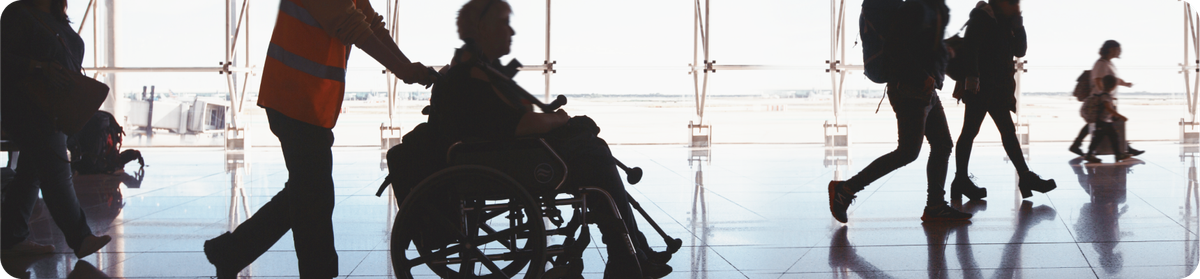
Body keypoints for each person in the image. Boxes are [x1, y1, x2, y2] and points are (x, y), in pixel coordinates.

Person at [429, 1, 672, 277]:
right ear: (481, 29)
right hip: (501, 163)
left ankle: (632, 251)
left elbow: (504, 123)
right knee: (595, 157)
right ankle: (627, 255)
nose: (511, 31)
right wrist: (560, 119)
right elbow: (519, 124)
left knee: (593, 149)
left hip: (492, 156)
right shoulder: (474, 72)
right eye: (503, 23)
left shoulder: (467, 67)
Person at [201, 0, 435, 278]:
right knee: (315, 196)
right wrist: (403, 69)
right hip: (293, 96)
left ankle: (230, 252)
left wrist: (406, 66)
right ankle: (315, 272)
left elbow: (369, 22)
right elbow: (353, 26)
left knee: (305, 192)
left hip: (306, 100)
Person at [829, 0, 972, 223]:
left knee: (942, 144)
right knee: (908, 151)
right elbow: (897, 48)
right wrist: (922, 75)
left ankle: (935, 205)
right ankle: (846, 189)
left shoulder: (913, 7)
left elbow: (917, 46)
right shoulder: (908, 8)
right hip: (910, 87)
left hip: (923, 87)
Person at [0, 0, 112, 260]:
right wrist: (39, 68)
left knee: (32, 171)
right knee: (56, 168)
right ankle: (80, 237)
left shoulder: (56, 17)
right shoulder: (18, 15)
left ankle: (11, 237)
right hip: (30, 107)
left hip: (53, 107)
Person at [952, 0, 1056, 200]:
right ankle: (962, 180)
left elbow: (1020, 51)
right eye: (1013, 3)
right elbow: (971, 48)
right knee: (971, 132)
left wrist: (1019, 25)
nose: (1017, 6)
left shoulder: (1006, 21)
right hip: (980, 87)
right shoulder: (982, 16)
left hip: (998, 88)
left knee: (1006, 131)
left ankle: (1024, 176)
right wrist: (972, 80)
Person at [1069, 40, 1143, 157]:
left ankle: (1078, 145)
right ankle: (1122, 150)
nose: (1120, 52)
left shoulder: (1108, 63)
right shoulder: (1101, 63)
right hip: (1102, 101)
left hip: (1106, 99)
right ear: (1111, 49)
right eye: (1118, 49)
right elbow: (1098, 80)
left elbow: (1114, 80)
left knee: (1102, 125)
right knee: (1105, 125)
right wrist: (1105, 96)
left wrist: (1126, 84)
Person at [1083, 75, 1129, 163]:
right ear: (1113, 86)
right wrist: (1119, 116)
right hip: (1102, 122)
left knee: (1113, 137)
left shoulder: (1104, 95)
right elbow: (1108, 108)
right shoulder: (1105, 96)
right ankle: (1089, 155)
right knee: (1098, 139)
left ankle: (1118, 154)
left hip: (1106, 121)